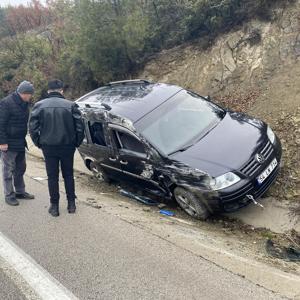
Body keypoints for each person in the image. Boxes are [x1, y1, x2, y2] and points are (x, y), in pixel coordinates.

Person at [29, 80, 84, 217]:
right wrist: (76, 142)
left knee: (52, 176)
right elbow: (80, 127)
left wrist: (39, 143)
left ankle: (54, 207)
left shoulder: (39, 106)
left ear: (48, 91)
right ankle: (71, 204)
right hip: (68, 146)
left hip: (49, 146)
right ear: (61, 91)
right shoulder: (71, 105)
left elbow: (33, 128)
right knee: (69, 175)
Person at [0, 81, 35, 206]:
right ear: (24, 93)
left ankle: (20, 191)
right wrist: (2, 142)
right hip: (8, 143)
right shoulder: (6, 103)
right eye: (30, 94)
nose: (31, 96)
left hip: (20, 141)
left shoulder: (24, 103)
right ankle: (9, 195)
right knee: (8, 170)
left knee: (21, 168)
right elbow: (1, 124)